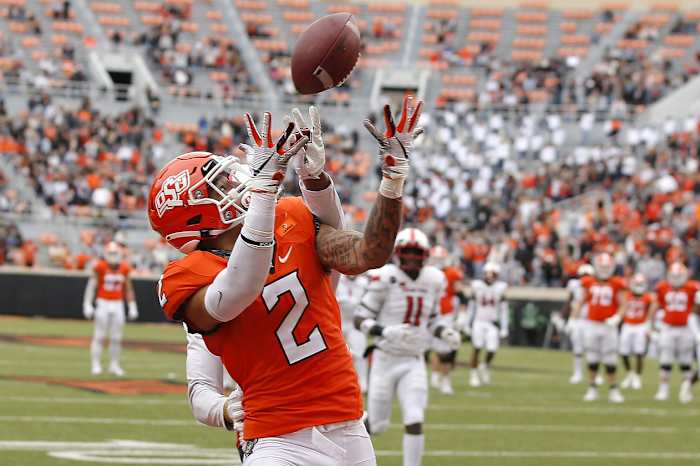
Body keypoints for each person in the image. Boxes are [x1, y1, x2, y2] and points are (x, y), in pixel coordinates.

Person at [149, 98, 424, 466]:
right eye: (219, 185)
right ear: (194, 215)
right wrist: (225, 410)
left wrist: (392, 176)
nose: (236, 183)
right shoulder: (187, 275)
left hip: (347, 425)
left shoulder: (290, 216)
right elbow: (240, 289)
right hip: (278, 440)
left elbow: (369, 253)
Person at [354, 227, 461, 466]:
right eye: (407, 252)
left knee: (414, 416)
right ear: (398, 254)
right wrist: (383, 330)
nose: (411, 258)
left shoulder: (434, 279)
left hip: (414, 360)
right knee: (378, 425)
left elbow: (431, 320)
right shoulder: (385, 276)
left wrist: (445, 332)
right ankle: (343, 443)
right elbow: (360, 318)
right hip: (385, 358)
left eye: (416, 253)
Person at [571, 252, 626, 403]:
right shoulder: (588, 282)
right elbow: (581, 301)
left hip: (608, 326)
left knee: (610, 359)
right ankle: (592, 388)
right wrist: (572, 318)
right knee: (592, 358)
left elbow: (623, 304)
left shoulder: (616, 283)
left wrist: (617, 317)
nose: (604, 270)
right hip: (592, 324)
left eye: (607, 267)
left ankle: (613, 390)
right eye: (602, 267)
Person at [82, 241, 138, 376]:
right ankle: (95, 364)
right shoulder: (100, 266)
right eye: (110, 253)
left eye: (115, 253)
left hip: (118, 304)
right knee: (99, 335)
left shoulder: (124, 268)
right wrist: (87, 303)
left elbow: (128, 288)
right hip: (103, 302)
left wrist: (132, 305)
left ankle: (114, 365)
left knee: (116, 337)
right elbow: (92, 286)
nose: (113, 256)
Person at [652, 262, 700, 403]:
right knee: (665, 359)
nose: (676, 278)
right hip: (668, 327)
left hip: (686, 328)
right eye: (674, 276)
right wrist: (651, 323)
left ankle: (686, 390)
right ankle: (663, 390)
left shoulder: (692, 287)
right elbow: (657, 304)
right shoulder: (663, 287)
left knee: (686, 362)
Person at [461, 262, 509, 388]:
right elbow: (471, 307)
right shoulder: (477, 285)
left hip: (492, 323)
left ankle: (485, 366)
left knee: (492, 349)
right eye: (489, 273)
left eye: (493, 274)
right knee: (477, 347)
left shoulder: (501, 287)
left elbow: (504, 310)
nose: (490, 276)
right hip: (478, 321)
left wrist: (504, 327)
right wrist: (467, 323)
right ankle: (473, 374)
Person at [428, 245, 465, 395]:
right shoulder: (425, 273)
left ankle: (445, 379)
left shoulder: (451, 273)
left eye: (439, 259)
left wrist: (463, 314)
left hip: (445, 315)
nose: (437, 261)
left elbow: (461, 293)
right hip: (428, 315)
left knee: (447, 348)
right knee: (429, 347)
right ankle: (435, 375)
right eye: (435, 258)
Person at [619, 273, 655, 390]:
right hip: (628, 325)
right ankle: (630, 374)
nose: (639, 286)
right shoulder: (626, 295)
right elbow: (622, 308)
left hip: (640, 325)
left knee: (639, 353)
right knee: (623, 352)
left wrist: (649, 326)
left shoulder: (648, 297)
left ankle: (637, 376)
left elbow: (651, 311)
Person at [337, 273, 370, 394]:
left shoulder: (364, 283)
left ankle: (363, 383)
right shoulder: (339, 280)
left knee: (361, 352)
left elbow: (366, 303)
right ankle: (337, 382)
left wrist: (348, 301)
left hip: (355, 322)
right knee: (336, 354)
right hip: (338, 320)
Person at [564, 264, 594, 384]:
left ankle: (593, 374)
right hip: (578, 319)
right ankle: (577, 373)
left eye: (587, 275)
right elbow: (570, 301)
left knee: (592, 348)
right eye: (584, 275)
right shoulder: (574, 285)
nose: (585, 278)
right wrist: (569, 319)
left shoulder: (596, 285)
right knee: (577, 348)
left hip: (591, 320)